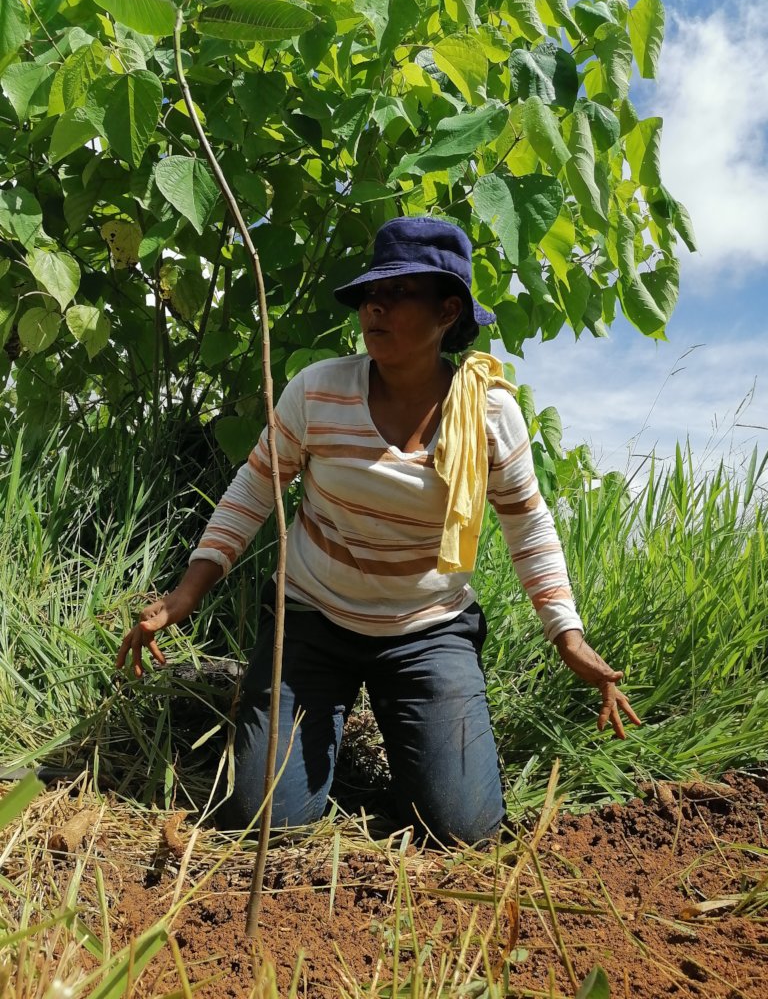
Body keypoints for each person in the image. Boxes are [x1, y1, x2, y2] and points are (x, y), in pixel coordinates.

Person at [117, 216, 640, 845]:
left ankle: (410, 736)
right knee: (264, 822)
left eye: (398, 294)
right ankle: (300, 731)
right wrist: (186, 594)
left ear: (449, 311)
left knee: (467, 831)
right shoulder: (318, 393)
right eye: (370, 294)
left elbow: (529, 526)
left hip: (428, 630)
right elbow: (254, 489)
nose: (375, 307)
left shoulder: (489, 415)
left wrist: (567, 636)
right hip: (313, 619)